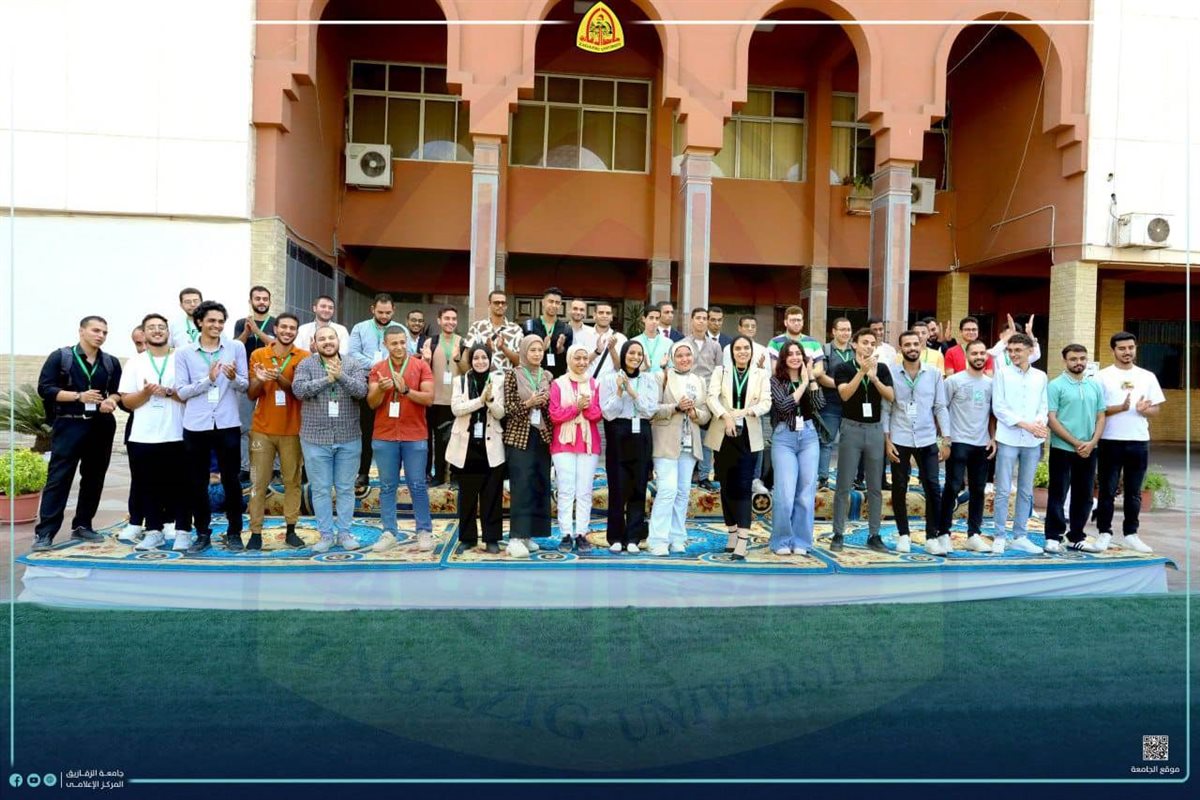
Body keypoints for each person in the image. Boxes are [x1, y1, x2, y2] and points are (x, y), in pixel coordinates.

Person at [32, 316, 123, 552]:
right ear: (81, 331)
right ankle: (45, 533)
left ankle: (83, 525)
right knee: (59, 478)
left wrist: (111, 401)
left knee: (94, 477)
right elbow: (45, 389)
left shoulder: (110, 362)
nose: (100, 336)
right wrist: (78, 396)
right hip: (69, 423)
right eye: (96, 330)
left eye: (104, 332)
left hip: (101, 425)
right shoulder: (61, 357)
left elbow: (117, 392)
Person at [174, 301, 249, 554]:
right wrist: (209, 379)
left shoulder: (235, 347)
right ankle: (202, 533)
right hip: (196, 425)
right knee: (197, 482)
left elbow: (245, 385)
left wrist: (233, 378)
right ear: (200, 322)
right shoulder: (184, 353)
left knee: (231, 480)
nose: (217, 325)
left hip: (227, 422)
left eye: (220, 321)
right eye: (211, 321)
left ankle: (234, 532)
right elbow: (181, 392)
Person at [292, 324, 369, 552]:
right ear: (315, 343)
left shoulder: (352, 364)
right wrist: (328, 379)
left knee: (345, 488)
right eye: (322, 339)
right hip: (315, 437)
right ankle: (325, 535)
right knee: (321, 489)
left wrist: (340, 376)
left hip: (348, 437)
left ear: (338, 340)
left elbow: (361, 391)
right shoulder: (306, 364)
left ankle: (344, 533)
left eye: (331, 338)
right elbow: (299, 390)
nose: (327, 342)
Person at [117, 314, 187, 551]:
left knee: (177, 485)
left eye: (161, 327)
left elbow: (190, 395)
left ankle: (176, 526)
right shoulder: (135, 362)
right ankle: (153, 531)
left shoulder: (181, 359)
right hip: (143, 436)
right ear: (144, 333)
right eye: (151, 328)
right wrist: (146, 393)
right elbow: (127, 401)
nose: (157, 331)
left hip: (176, 433)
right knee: (147, 487)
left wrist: (168, 392)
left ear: (168, 331)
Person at [367, 327, 435, 553]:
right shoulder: (378, 369)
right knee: (387, 486)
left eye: (402, 342)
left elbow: (429, 399)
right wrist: (382, 390)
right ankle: (389, 532)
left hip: (414, 435)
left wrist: (405, 390)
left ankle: (424, 531)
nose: (399, 347)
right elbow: (372, 403)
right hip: (384, 435)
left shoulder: (421, 366)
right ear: (385, 345)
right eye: (394, 343)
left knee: (417, 485)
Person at [1095, 331, 1164, 554]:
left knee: (1134, 492)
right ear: (1113, 350)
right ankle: (1104, 532)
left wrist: (1145, 410)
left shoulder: (1147, 376)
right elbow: (1096, 410)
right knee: (1107, 490)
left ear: (1136, 348)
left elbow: (1156, 409)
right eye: (1122, 348)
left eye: (1131, 348)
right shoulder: (1102, 377)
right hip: (1110, 440)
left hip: (1138, 441)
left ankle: (1131, 534)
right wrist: (1120, 408)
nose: (1127, 352)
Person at [883, 331, 951, 554]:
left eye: (915, 344)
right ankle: (903, 535)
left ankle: (932, 537)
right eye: (907, 344)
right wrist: (887, 440)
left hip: (926, 437)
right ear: (900, 348)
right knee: (899, 486)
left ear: (921, 346)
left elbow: (940, 407)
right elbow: (886, 408)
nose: (912, 348)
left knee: (932, 486)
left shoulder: (934, 374)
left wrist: (946, 439)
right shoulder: (891, 373)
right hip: (899, 437)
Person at [830, 328, 895, 554]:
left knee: (875, 486)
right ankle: (838, 533)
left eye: (872, 343)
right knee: (844, 484)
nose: (868, 346)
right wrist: (861, 372)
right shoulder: (844, 368)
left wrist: (874, 378)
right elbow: (845, 394)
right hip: (851, 428)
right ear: (854, 345)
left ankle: (874, 534)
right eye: (864, 342)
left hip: (875, 429)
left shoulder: (882, 368)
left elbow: (891, 396)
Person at [245, 312, 307, 550]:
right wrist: (261, 379)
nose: (288, 331)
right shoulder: (259, 355)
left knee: (292, 481)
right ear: (275, 329)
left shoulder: (304, 357)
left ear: (297, 332)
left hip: (292, 429)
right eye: (284, 327)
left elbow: (299, 392)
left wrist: (279, 377)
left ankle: (291, 529)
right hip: (262, 429)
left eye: (292, 328)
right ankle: (255, 532)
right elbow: (251, 394)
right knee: (258, 482)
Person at [706, 335, 771, 560]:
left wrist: (745, 412)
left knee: (743, 487)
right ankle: (732, 533)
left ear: (751, 351)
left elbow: (766, 403)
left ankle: (743, 539)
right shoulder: (721, 372)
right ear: (731, 352)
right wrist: (726, 416)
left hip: (748, 437)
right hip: (723, 435)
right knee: (726, 486)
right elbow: (711, 397)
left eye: (746, 348)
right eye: (738, 348)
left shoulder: (760, 374)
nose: (742, 352)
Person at [647, 340, 711, 556]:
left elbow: (706, 415)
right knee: (667, 490)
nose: (684, 359)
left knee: (683, 492)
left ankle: (677, 538)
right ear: (673, 358)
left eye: (688, 355)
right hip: (666, 441)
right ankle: (657, 539)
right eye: (680, 355)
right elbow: (651, 409)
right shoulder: (661, 377)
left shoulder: (699, 381)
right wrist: (676, 407)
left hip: (689, 443)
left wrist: (694, 412)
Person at [1044, 343, 1107, 554]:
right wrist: (1075, 442)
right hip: (1062, 448)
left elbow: (1101, 416)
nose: (1078, 363)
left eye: (1082, 358)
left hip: (1089, 449)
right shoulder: (1055, 385)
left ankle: (1076, 537)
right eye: (1073, 359)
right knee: (1058, 493)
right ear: (1065, 361)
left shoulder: (1094, 386)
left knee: (1084, 495)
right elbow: (1051, 419)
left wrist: (1092, 443)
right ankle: (1053, 537)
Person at [990, 332, 1048, 555]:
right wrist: (1026, 425)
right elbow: (999, 407)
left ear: (1030, 351)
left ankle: (1020, 536)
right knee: (1003, 489)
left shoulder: (1040, 376)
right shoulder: (1002, 374)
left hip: (1033, 441)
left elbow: (1043, 406)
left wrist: (1039, 424)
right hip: (1008, 438)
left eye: (1018, 350)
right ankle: (999, 535)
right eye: (1010, 351)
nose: (1013, 354)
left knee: (1025, 490)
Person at [937, 340, 996, 553]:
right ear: (967, 356)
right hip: (958, 441)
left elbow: (992, 414)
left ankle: (974, 535)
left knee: (978, 490)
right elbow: (941, 409)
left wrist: (993, 438)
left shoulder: (991, 384)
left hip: (982, 444)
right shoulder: (953, 381)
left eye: (982, 353)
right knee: (952, 486)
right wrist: (944, 439)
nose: (979, 357)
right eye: (974, 353)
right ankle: (943, 533)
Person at [446, 343, 505, 554]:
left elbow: (500, 413)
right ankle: (468, 538)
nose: (480, 362)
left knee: (492, 495)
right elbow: (456, 409)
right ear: (471, 361)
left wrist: (490, 401)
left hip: (491, 446)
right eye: (476, 358)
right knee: (467, 496)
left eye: (484, 358)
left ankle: (491, 538)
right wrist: (480, 401)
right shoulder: (460, 381)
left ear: (490, 359)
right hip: (466, 447)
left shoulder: (498, 381)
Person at [599, 340, 657, 553]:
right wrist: (619, 391)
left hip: (641, 433)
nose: (635, 357)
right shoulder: (609, 379)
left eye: (639, 354)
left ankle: (633, 537)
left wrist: (633, 393)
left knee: (638, 486)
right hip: (618, 432)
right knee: (617, 487)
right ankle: (615, 537)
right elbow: (607, 413)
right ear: (623, 354)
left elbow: (649, 410)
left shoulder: (648, 379)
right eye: (631, 353)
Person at [768, 341, 822, 556]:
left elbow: (819, 405)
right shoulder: (776, 381)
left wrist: (812, 379)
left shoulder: (809, 378)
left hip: (809, 436)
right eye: (790, 354)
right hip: (785, 438)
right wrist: (803, 384)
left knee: (806, 493)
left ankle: (802, 540)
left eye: (798, 353)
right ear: (783, 358)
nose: (795, 357)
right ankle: (781, 540)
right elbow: (784, 406)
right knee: (785, 493)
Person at [501, 335, 553, 557]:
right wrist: (529, 403)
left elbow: (553, 407)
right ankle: (515, 537)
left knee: (538, 484)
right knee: (521, 486)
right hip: (519, 437)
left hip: (542, 436)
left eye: (540, 350)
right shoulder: (512, 374)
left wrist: (545, 403)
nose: (537, 353)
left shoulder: (547, 376)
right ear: (523, 351)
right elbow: (508, 408)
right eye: (532, 350)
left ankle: (528, 534)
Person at [549, 345, 603, 553]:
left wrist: (585, 408)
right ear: (569, 360)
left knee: (584, 491)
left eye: (584, 358)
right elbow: (554, 415)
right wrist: (576, 408)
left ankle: (581, 533)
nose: (581, 362)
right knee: (566, 489)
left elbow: (597, 415)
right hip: (563, 443)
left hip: (588, 444)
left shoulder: (594, 384)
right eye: (577, 358)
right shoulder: (558, 384)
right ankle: (565, 533)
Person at [347, 293, 398, 491]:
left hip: (391, 383)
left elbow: (406, 353)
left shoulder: (399, 329)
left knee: (390, 430)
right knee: (366, 430)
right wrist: (377, 365)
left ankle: (391, 473)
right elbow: (353, 354)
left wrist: (385, 367)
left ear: (393, 310)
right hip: (366, 382)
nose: (384, 316)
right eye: (380, 312)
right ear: (372, 309)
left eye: (388, 312)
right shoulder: (360, 328)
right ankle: (363, 472)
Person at [233, 285, 278, 481]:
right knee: (244, 425)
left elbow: (276, 345)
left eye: (265, 299)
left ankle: (276, 468)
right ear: (250, 301)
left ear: (270, 301)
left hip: (272, 378)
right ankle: (244, 466)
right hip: (247, 378)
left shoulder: (276, 322)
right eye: (257, 298)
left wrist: (257, 331)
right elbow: (235, 346)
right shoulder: (241, 322)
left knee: (275, 423)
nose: (261, 302)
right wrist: (246, 331)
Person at [419, 306, 465, 488]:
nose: (450, 322)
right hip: (434, 399)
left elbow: (467, 370)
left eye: (453, 319)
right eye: (447, 318)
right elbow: (423, 371)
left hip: (455, 400)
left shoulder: (462, 342)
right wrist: (426, 359)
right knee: (433, 440)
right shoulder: (431, 342)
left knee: (455, 440)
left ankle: (454, 475)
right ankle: (436, 475)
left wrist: (458, 358)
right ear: (439, 320)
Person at [117, 324, 148, 543]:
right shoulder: (133, 365)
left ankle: (168, 521)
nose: (144, 347)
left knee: (169, 479)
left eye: (147, 342)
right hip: (138, 430)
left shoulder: (173, 362)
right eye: (139, 343)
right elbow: (124, 401)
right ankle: (135, 521)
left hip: (169, 431)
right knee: (139, 479)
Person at [684, 308, 721, 491]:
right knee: (687, 437)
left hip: (707, 398)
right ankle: (688, 473)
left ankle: (704, 475)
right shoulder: (682, 344)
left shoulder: (715, 346)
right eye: (697, 318)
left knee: (706, 440)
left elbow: (719, 371)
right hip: (688, 396)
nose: (701, 321)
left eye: (704, 318)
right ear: (691, 320)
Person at [816, 317, 854, 490]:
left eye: (848, 329)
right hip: (830, 404)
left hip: (851, 405)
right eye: (842, 329)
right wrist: (843, 386)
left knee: (850, 444)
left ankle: (848, 479)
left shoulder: (855, 351)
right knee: (826, 441)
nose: (846, 333)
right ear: (834, 331)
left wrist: (848, 389)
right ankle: (822, 478)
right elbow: (821, 376)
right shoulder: (825, 350)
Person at [464, 289, 523, 371]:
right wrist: (486, 348)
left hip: (506, 377)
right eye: (496, 303)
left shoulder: (515, 329)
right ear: (489, 304)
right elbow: (468, 358)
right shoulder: (477, 327)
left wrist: (503, 348)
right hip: (482, 377)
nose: (500, 305)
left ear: (506, 305)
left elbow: (519, 362)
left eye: (503, 303)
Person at [524, 287, 572, 378]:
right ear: (543, 302)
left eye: (557, 303)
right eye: (550, 301)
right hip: (533, 375)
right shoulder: (530, 326)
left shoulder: (566, 329)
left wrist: (560, 349)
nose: (554, 305)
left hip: (558, 376)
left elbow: (570, 358)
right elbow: (524, 353)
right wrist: (542, 348)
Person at [632, 304, 672, 375]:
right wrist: (640, 369)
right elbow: (628, 368)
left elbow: (672, 369)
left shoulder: (668, 343)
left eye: (657, 318)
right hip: (639, 380)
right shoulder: (634, 342)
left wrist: (664, 367)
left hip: (660, 380)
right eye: (651, 318)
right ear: (643, 319)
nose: (654, 321)